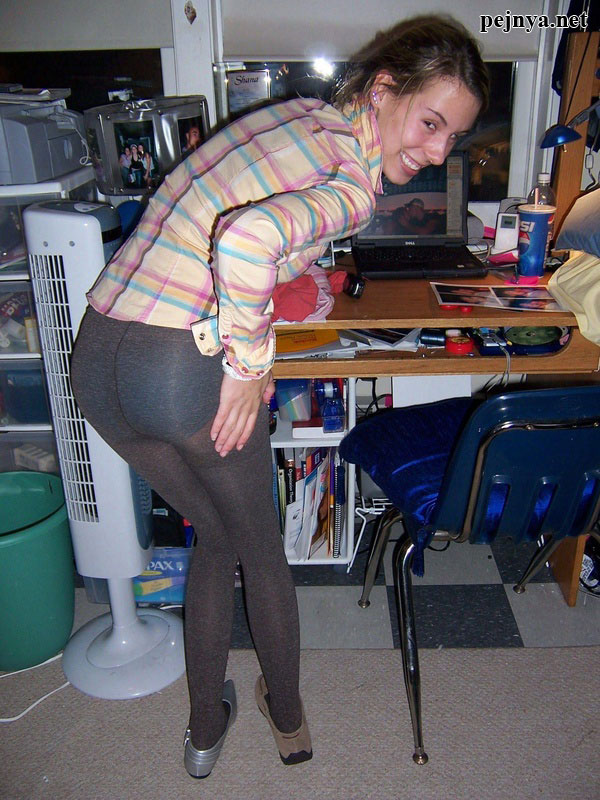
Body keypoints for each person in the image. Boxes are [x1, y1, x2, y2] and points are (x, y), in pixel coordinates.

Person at [69, 13, 488, 779]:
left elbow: (229, 220)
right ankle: (287, 716)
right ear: (384, 89)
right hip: (177, 368)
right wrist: (248, 364)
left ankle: (204, 733)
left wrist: (264, 324)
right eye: (430, 123)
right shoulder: (352, 187)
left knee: (216, 532)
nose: (436, 153)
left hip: (98, 360)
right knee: (260, 548)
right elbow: (246, 240)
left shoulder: (290, 118)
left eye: (452, 139)